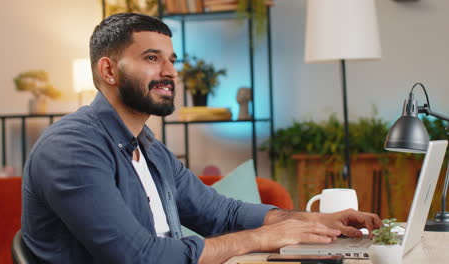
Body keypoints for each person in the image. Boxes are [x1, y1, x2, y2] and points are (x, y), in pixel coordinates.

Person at [21, 13, 381, 264]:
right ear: (109, 70)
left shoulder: (148, 147)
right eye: (151, 58)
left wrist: (310, 222)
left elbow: (220, 212)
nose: (169, 72)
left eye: (171, 60)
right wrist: (259, 239)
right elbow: (140, 258)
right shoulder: (71, 149)